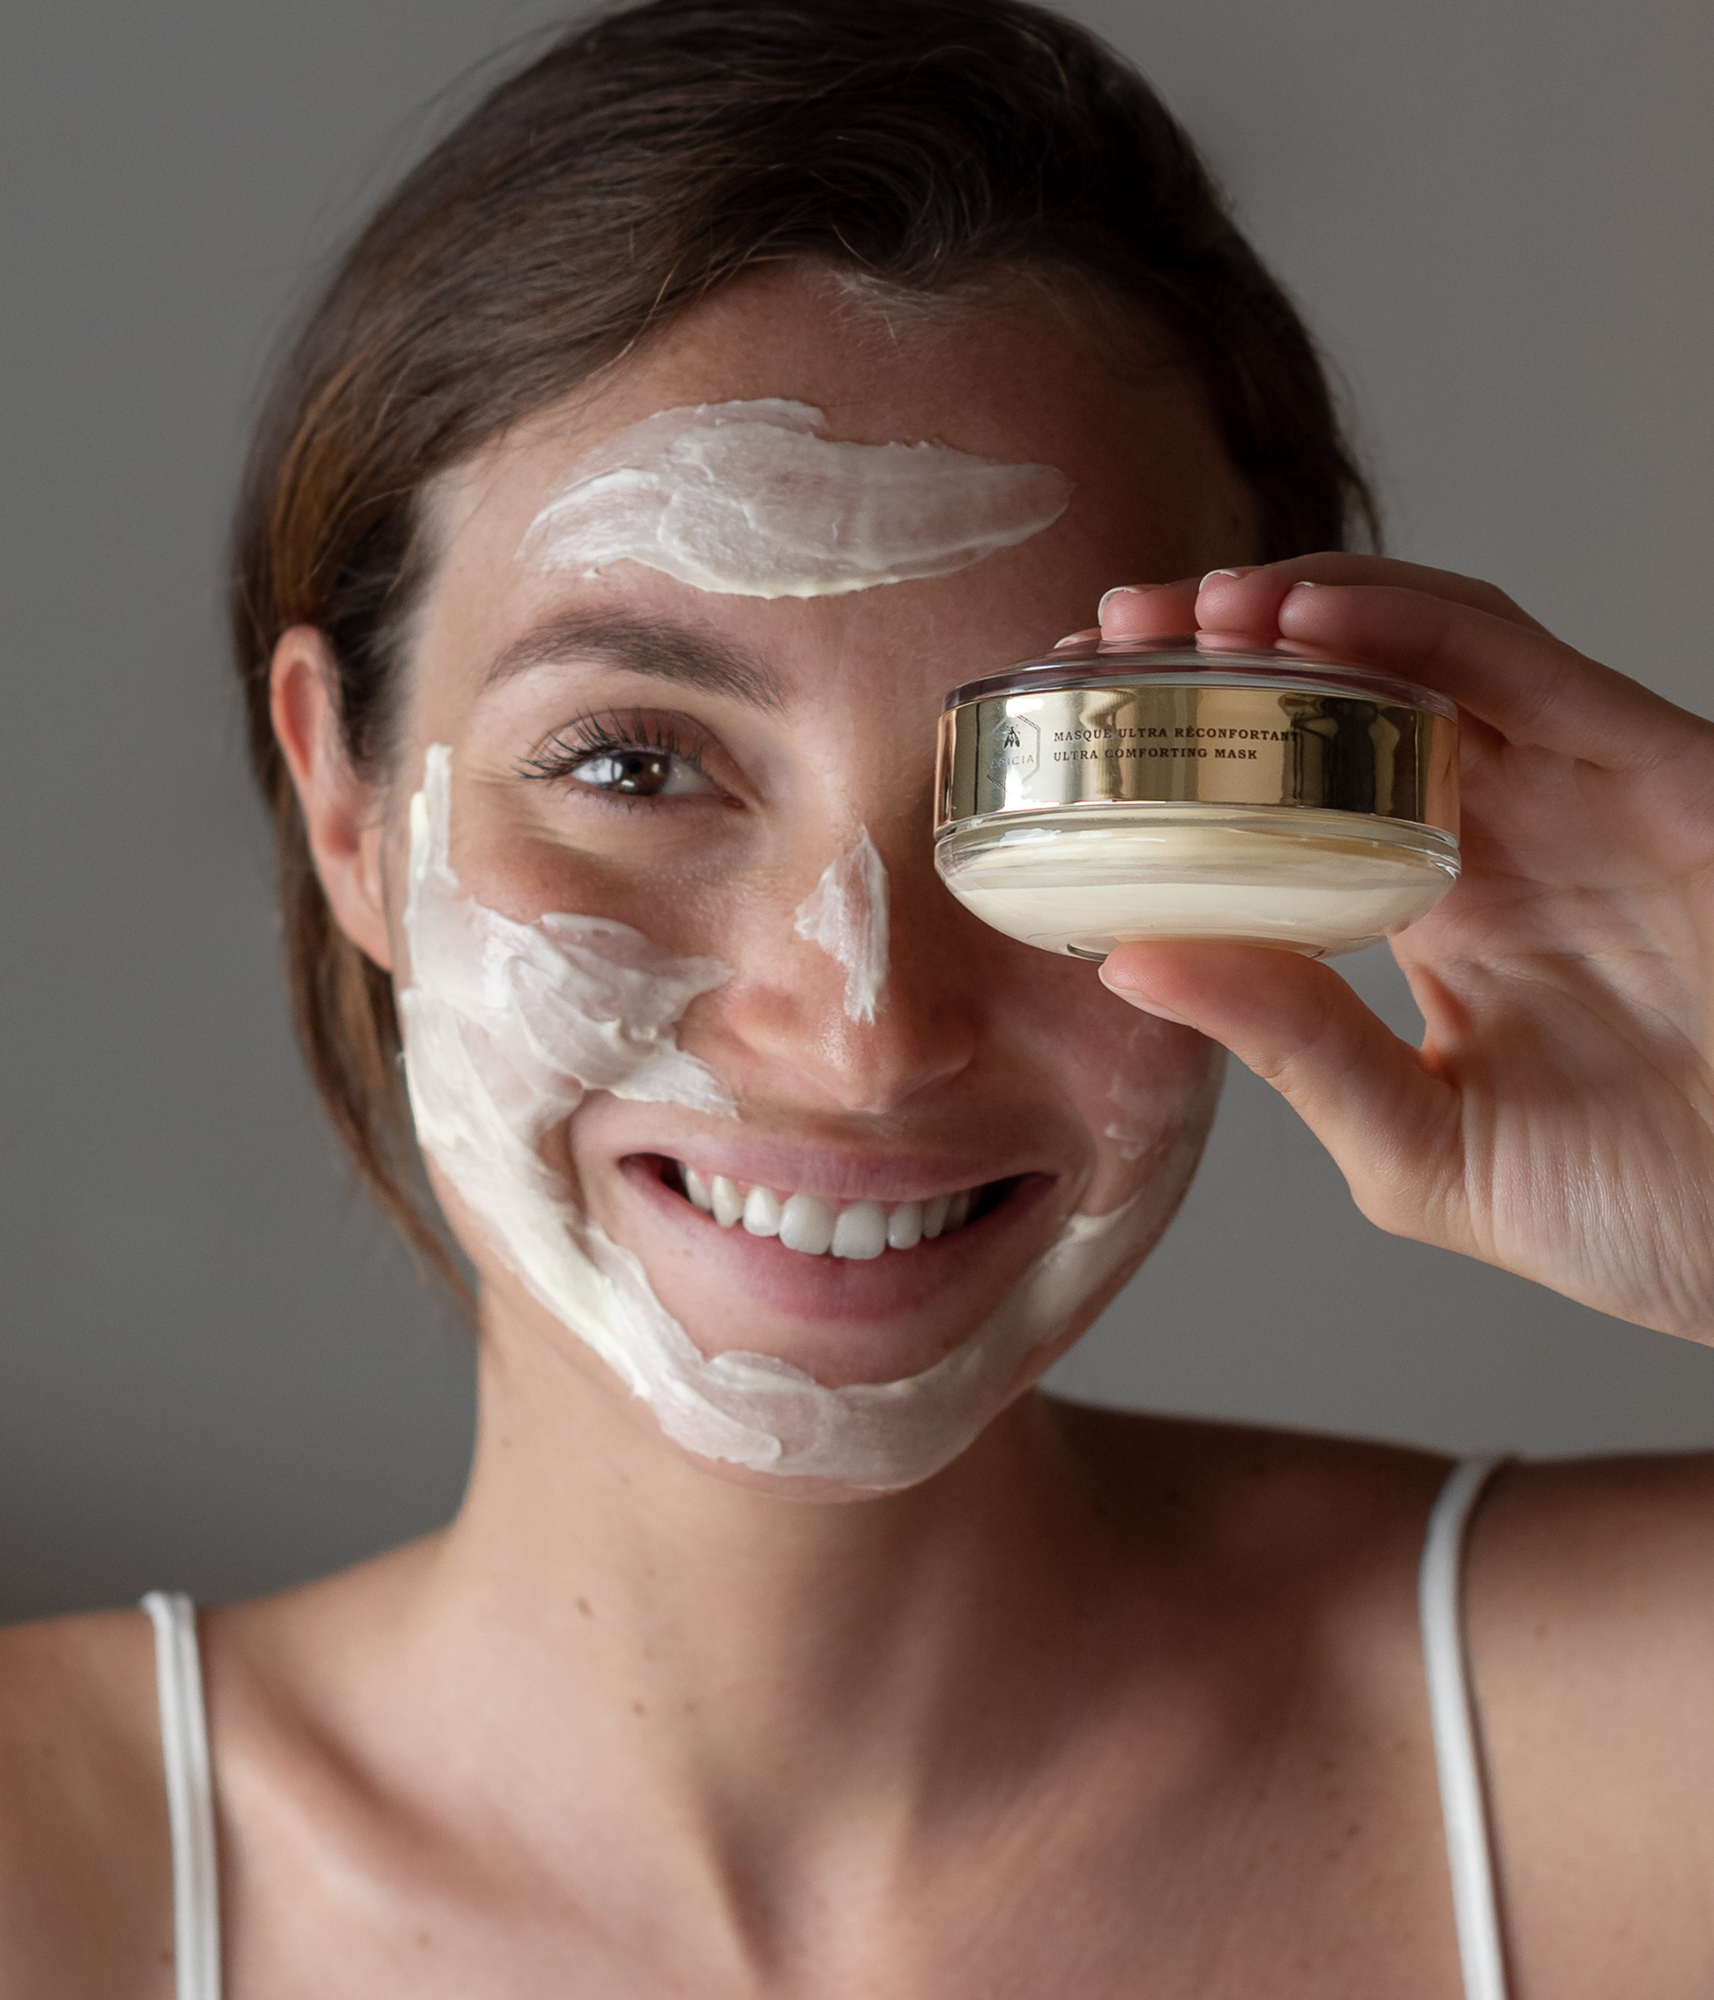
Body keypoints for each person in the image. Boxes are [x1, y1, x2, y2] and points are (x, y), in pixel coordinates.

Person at [5, 1, 1713, 1992]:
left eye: (1037, 794)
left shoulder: (1634, 1753)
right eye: (634, 761)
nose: (869, 1020)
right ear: (346, 796)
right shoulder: (47, 1868)